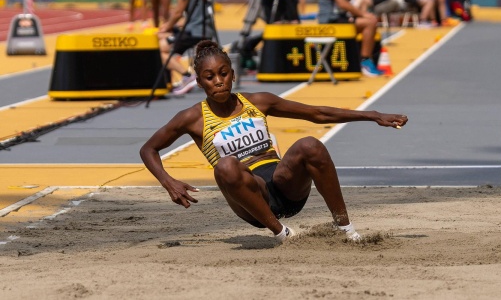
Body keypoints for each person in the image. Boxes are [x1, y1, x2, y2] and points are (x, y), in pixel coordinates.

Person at [140, 40, 409, 243]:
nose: (219, 82)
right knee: (225, 166)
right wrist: (168, 182)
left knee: (309, 145)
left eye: (224, 74)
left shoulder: (258, 102)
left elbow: (317, 114)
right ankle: (282, 234)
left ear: (233, 75)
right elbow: (149, 149)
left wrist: (372, 115)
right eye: (210, 78)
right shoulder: (191, 118)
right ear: (199, 82)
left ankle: (346, 228)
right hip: (251, 198)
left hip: (285, 186)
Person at [157, 0, 217, 94]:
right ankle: (168, 80)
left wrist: (167, 26)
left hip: (193, 32)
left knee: (161, 48)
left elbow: (178, 12)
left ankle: (187, 76)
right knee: (163, 37)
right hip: (205, 29)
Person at [318, 0, 383, 77]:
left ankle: (365, 60)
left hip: (340, 17)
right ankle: (365, 61)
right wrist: (363, 14)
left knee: (371, 21)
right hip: (331, 21)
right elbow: (342, 3)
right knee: (370, 22)